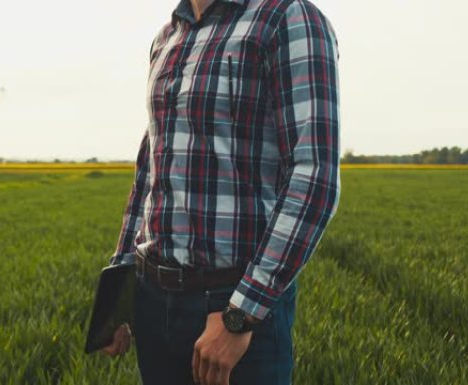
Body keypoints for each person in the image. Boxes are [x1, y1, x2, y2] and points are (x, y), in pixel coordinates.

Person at [102, 0, 340, 384]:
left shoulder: (286, 18)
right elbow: (151, 172)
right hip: (153, 302)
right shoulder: (168, 36)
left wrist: (239, 315)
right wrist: (118, 291)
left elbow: (315, 177)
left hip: (236, 309)